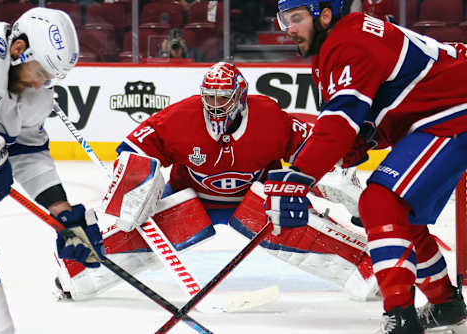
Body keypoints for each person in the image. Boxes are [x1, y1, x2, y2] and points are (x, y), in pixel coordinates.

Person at [54, 61, 379, 303]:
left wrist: (339, 176)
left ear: (239, 97)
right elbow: (133, 149)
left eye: (222, 97)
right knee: (135, 235)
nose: (213, 104)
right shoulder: (180, 117)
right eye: (208, 96)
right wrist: (135, 184)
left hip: (257, 200)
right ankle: (79, 273)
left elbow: (314, 149)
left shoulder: (268, 116)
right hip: (191, 197)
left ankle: (367, 269)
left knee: (296, 225)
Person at [271, 0, 467, 333]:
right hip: (441, 111)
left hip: (454, 110)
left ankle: (401, 318)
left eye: (296, 18)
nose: (288, 28)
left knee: (380, 202)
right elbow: (359, 127)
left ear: (325, 15)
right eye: (283, 20)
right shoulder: (337, 46)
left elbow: (340, 123)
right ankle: (444, 303)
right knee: (397, 212)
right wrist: (348, 151)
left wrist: (298, 176)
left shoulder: (347, 44)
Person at [0, 7, 105, 334]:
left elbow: (27, 151)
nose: (43, 84)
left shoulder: (36, 96)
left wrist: (62, 213)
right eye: (41, 72)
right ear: (17, 49)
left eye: (52, 78)